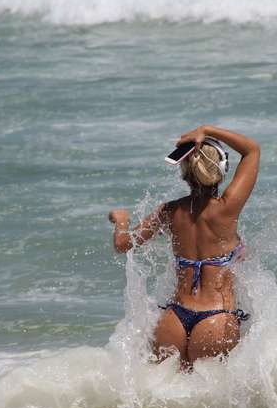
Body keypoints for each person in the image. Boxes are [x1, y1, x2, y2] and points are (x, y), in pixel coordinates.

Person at [108, 125, 260, 367]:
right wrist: (206, 130)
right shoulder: (226, 209)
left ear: (184, 172)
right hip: (217, 319)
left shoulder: (169, 211)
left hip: (173, 319)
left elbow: (123, 244)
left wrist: (122, 220)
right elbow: (252, 150)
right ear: (221, 169)